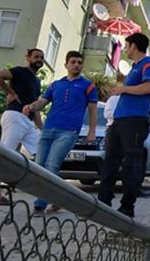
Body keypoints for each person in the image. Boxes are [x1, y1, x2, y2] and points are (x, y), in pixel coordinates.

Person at [23, 51, 97, 214]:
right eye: (73, 62)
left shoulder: (88, 86)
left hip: (68, 131)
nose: (77, 64)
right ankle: (59, 199)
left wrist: (92, 131)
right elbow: (42, 102)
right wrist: (31, 106)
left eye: (79, 62)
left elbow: (92, 110)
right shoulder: (55, 85)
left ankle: (40, 203)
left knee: (52, 164)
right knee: (40, 165)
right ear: (66, 65)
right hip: (49, 129)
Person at [98, 33, 150, 218]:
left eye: (127, 45)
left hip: (135, 121)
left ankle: (127, 207)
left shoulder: (148, 65)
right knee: (110, 161)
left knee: (131, 164)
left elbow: (148, 87)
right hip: (119, 121)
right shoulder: (134, 68)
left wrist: (124, 89)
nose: (124, 48)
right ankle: (103, 202)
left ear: (134, 46)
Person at [0, 48, 45, 206]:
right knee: (4, 154)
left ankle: (45, 194)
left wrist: (43, 130)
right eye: (36, 57)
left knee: (43, 152)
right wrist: (10, 92)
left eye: (41, 57)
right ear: (28, 58)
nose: (39, 59)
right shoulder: (19, 72)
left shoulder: (37, 81)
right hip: (15, 117)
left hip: (28, 122)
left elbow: (36, 108)